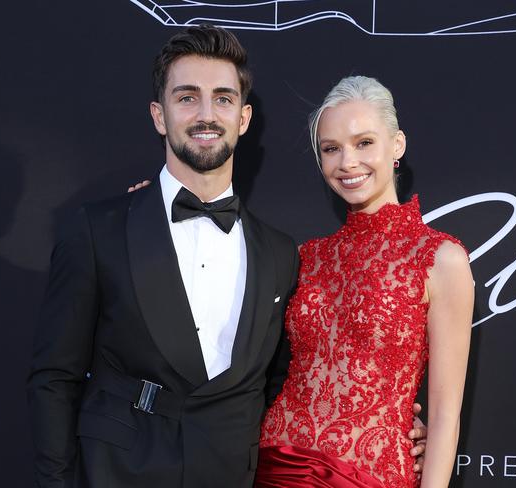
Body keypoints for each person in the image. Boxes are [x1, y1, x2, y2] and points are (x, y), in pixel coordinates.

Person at [27, 25, 427, 488]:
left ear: (243, 117)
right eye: (186, 97)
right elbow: (55, 379)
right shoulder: (98, 230)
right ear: (160, 115)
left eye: (222, 98)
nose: (205, 114)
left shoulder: (279, 254)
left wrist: (386, 425)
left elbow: (289, 384)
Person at [255, 77, 474, 487]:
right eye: (331, 149)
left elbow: (446, 414)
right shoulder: (304, 256)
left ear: (397, 146)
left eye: (364, 142)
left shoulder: (442, 260)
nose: (347, 162)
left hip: (368, 475)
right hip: (276, 467)